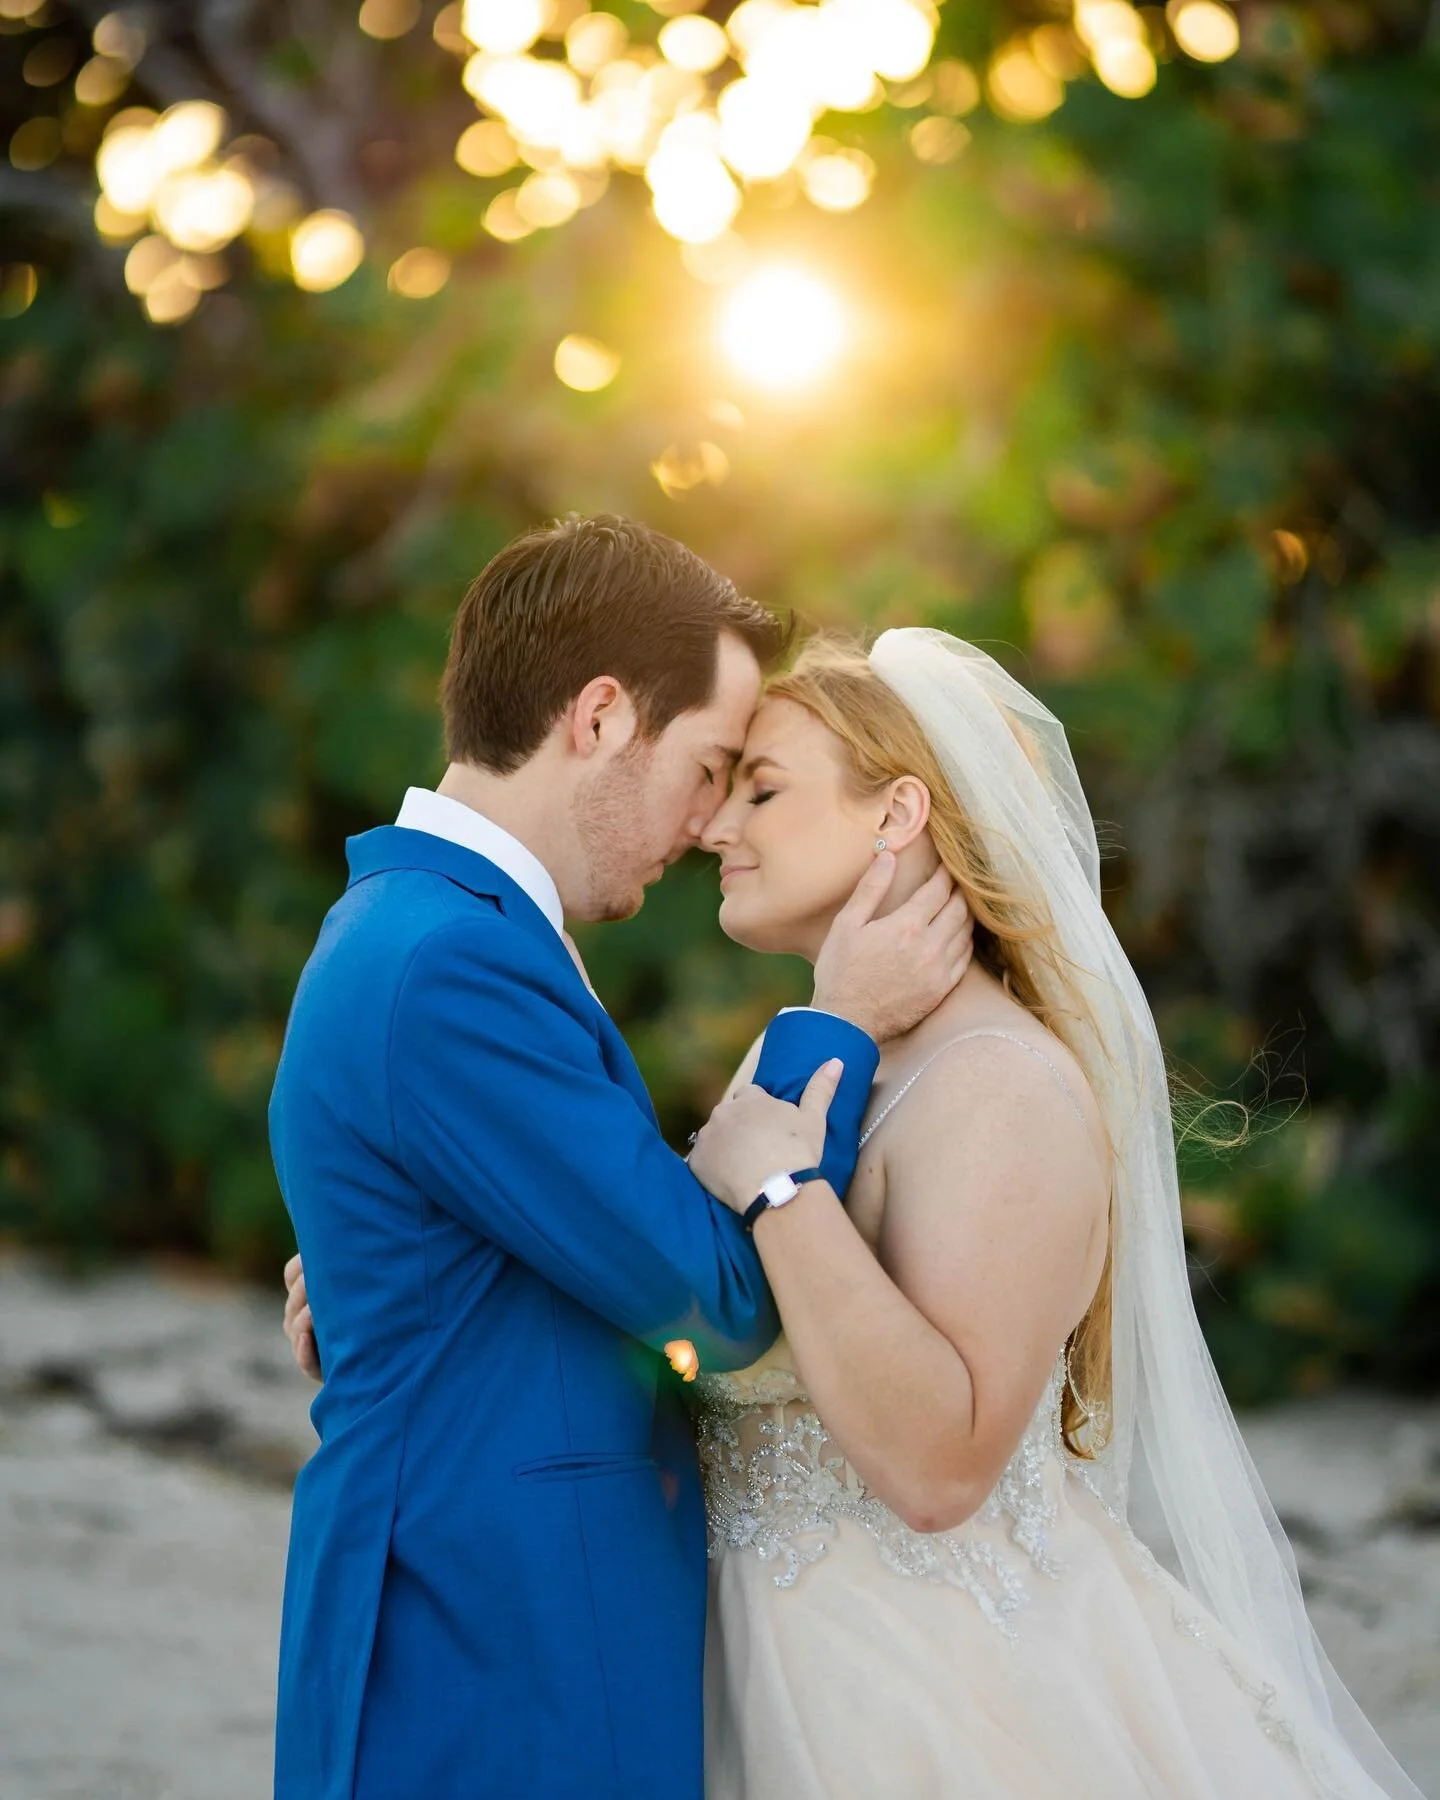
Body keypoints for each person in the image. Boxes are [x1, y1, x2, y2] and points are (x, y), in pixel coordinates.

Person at [267, 516, 972, 1800]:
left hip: (491, 1628)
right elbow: (717, 1304)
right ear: (598, 718)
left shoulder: (425, 927)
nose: (708, 824)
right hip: (490, 1655)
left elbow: (546, 1249)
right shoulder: (452, 964)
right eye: (706, 768)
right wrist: (842, 1022)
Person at [682, 629, 1424, 1800]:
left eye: (761, 791)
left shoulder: (1000, 1087)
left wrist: (783, 1193)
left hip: (925, 1688)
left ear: (897, 813)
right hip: (748, 1655)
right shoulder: (816, 1050)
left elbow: (941, 1469)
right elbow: (693, 1327)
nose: (715, 828)